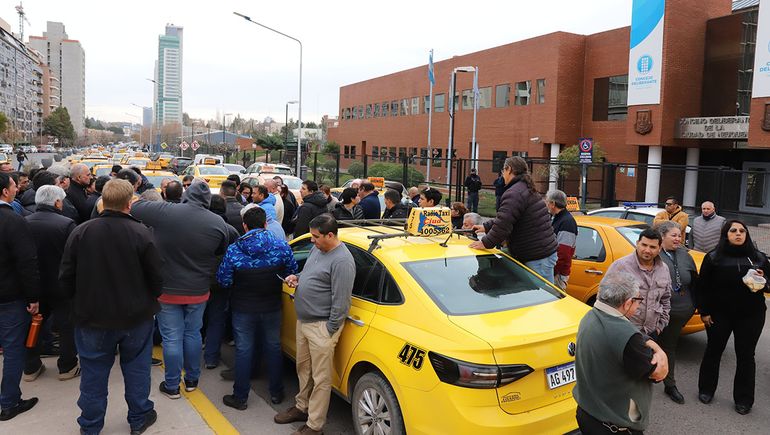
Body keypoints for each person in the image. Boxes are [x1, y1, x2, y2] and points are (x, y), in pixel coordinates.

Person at [59, 179, 163, 435]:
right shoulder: (142, 233)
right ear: (130, 203)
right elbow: (157, 279)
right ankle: (139, 417)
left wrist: (77, 303)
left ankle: (91, 425)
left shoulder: (81, 232)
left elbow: (66, 277)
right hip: (135, 318)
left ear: (102, 201)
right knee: (137, 370)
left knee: (93, 374)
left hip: (92, 317)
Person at [131, 180, 238, 400]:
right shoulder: (217, 223)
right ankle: (191, 380)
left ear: (186, 195)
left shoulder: (167, 211)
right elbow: (220, 249)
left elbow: (135, 207)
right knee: (193, 334)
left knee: (171, 338)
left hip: (167, 289)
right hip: (198, 289)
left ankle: (172, 385)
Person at [275, 215, 355, 435]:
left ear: (330, 235)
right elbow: (310, 274)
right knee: (304, 368)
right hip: (305, 321)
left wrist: (329, 330)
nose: (312, 240)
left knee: (321, 378)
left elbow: (341, 302)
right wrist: (297, 277)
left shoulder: (342, 261)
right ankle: (302, 407)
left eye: (316, 236)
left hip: (321, 326)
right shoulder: (318, 249)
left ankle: (314, 425)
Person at [218, 207, 298, 409]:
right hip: (272, 305)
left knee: (244, 350)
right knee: (273, 347)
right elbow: (292, 273)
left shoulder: (235, 250)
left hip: (243, 307)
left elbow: (224, 280)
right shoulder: (281, 246)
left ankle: (240, 397)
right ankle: (277, 393)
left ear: (245, 226)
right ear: (265, 224)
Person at [573, 272, 669, 435]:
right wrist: (663, 354)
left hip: (587, 414)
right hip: (615, 428)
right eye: (638, 300)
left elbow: (634, 334)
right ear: (627, 303)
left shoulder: (590, 316)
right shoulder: (629, 340)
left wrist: (655, 347)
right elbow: (659, 373)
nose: (638, 306)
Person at [697, 220, 769, 415]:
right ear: (725, 234)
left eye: (742, 231)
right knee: (714, 350)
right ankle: (706, 389)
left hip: (751, 316)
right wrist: (704, 312)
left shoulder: (759, 258)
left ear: (747, 234)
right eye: (733, 230)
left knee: (746, 356)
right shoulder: (713, 258)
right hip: (719, 315)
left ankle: (744, 399)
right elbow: (702, 287)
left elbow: (769, 285)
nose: (738, 233)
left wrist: (764, 280)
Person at [468, 157, 558, 284]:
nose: (502, 175)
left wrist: (485, 243)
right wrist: (486, 226)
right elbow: (509, 217)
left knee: (542, 299)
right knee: (541, 297)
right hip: (541, 253)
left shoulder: (515, 192)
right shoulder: (524, 188)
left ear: (509, 169)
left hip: (538, 257)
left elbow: (504, 224)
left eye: (503, 171)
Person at [23, 185, 79, 383]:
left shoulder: (24, 222)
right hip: (61, 285)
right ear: (57, 202)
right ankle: (67, 366)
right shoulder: (66, 224)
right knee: (66, 325)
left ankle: (30, 366)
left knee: (34, 324)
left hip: (34, 285)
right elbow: (73, 258)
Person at [0, 172, 40, 421]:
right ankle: (9, 402)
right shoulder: (13, 221)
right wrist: (33, 298)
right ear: (5, 191)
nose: (17, 189)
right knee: (14, 350)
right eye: (14, 185)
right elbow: (27, 263)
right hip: (10, 298)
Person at [655, 221, 698, 405]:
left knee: (669, 347)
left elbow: (694, 281)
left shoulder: (684, 255)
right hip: (657, 313)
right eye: (674, 235)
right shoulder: (654, 254)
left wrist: (695, 306)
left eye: (679, 235)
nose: (678, 238)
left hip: (682, 312)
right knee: (648, 347)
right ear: (662, 237)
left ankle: (669, 384)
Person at [606, 228, 671, 338]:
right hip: (623, 332)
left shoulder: (663, 269)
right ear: (637, 243)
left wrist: (659, 327)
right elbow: (605, 300)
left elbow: (666, 299)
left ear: (659, 248)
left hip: (651, 332)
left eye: (652, 247)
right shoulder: (620, 266)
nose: (647, 250)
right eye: (644, 245)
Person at [546, 190, 578, 290]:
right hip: (554, 272)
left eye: (547, 202)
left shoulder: (567, 222)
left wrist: (551, 272)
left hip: (557, 275)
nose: (546, 205)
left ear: (553, 204)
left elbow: (563, 254)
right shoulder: (557, 219)